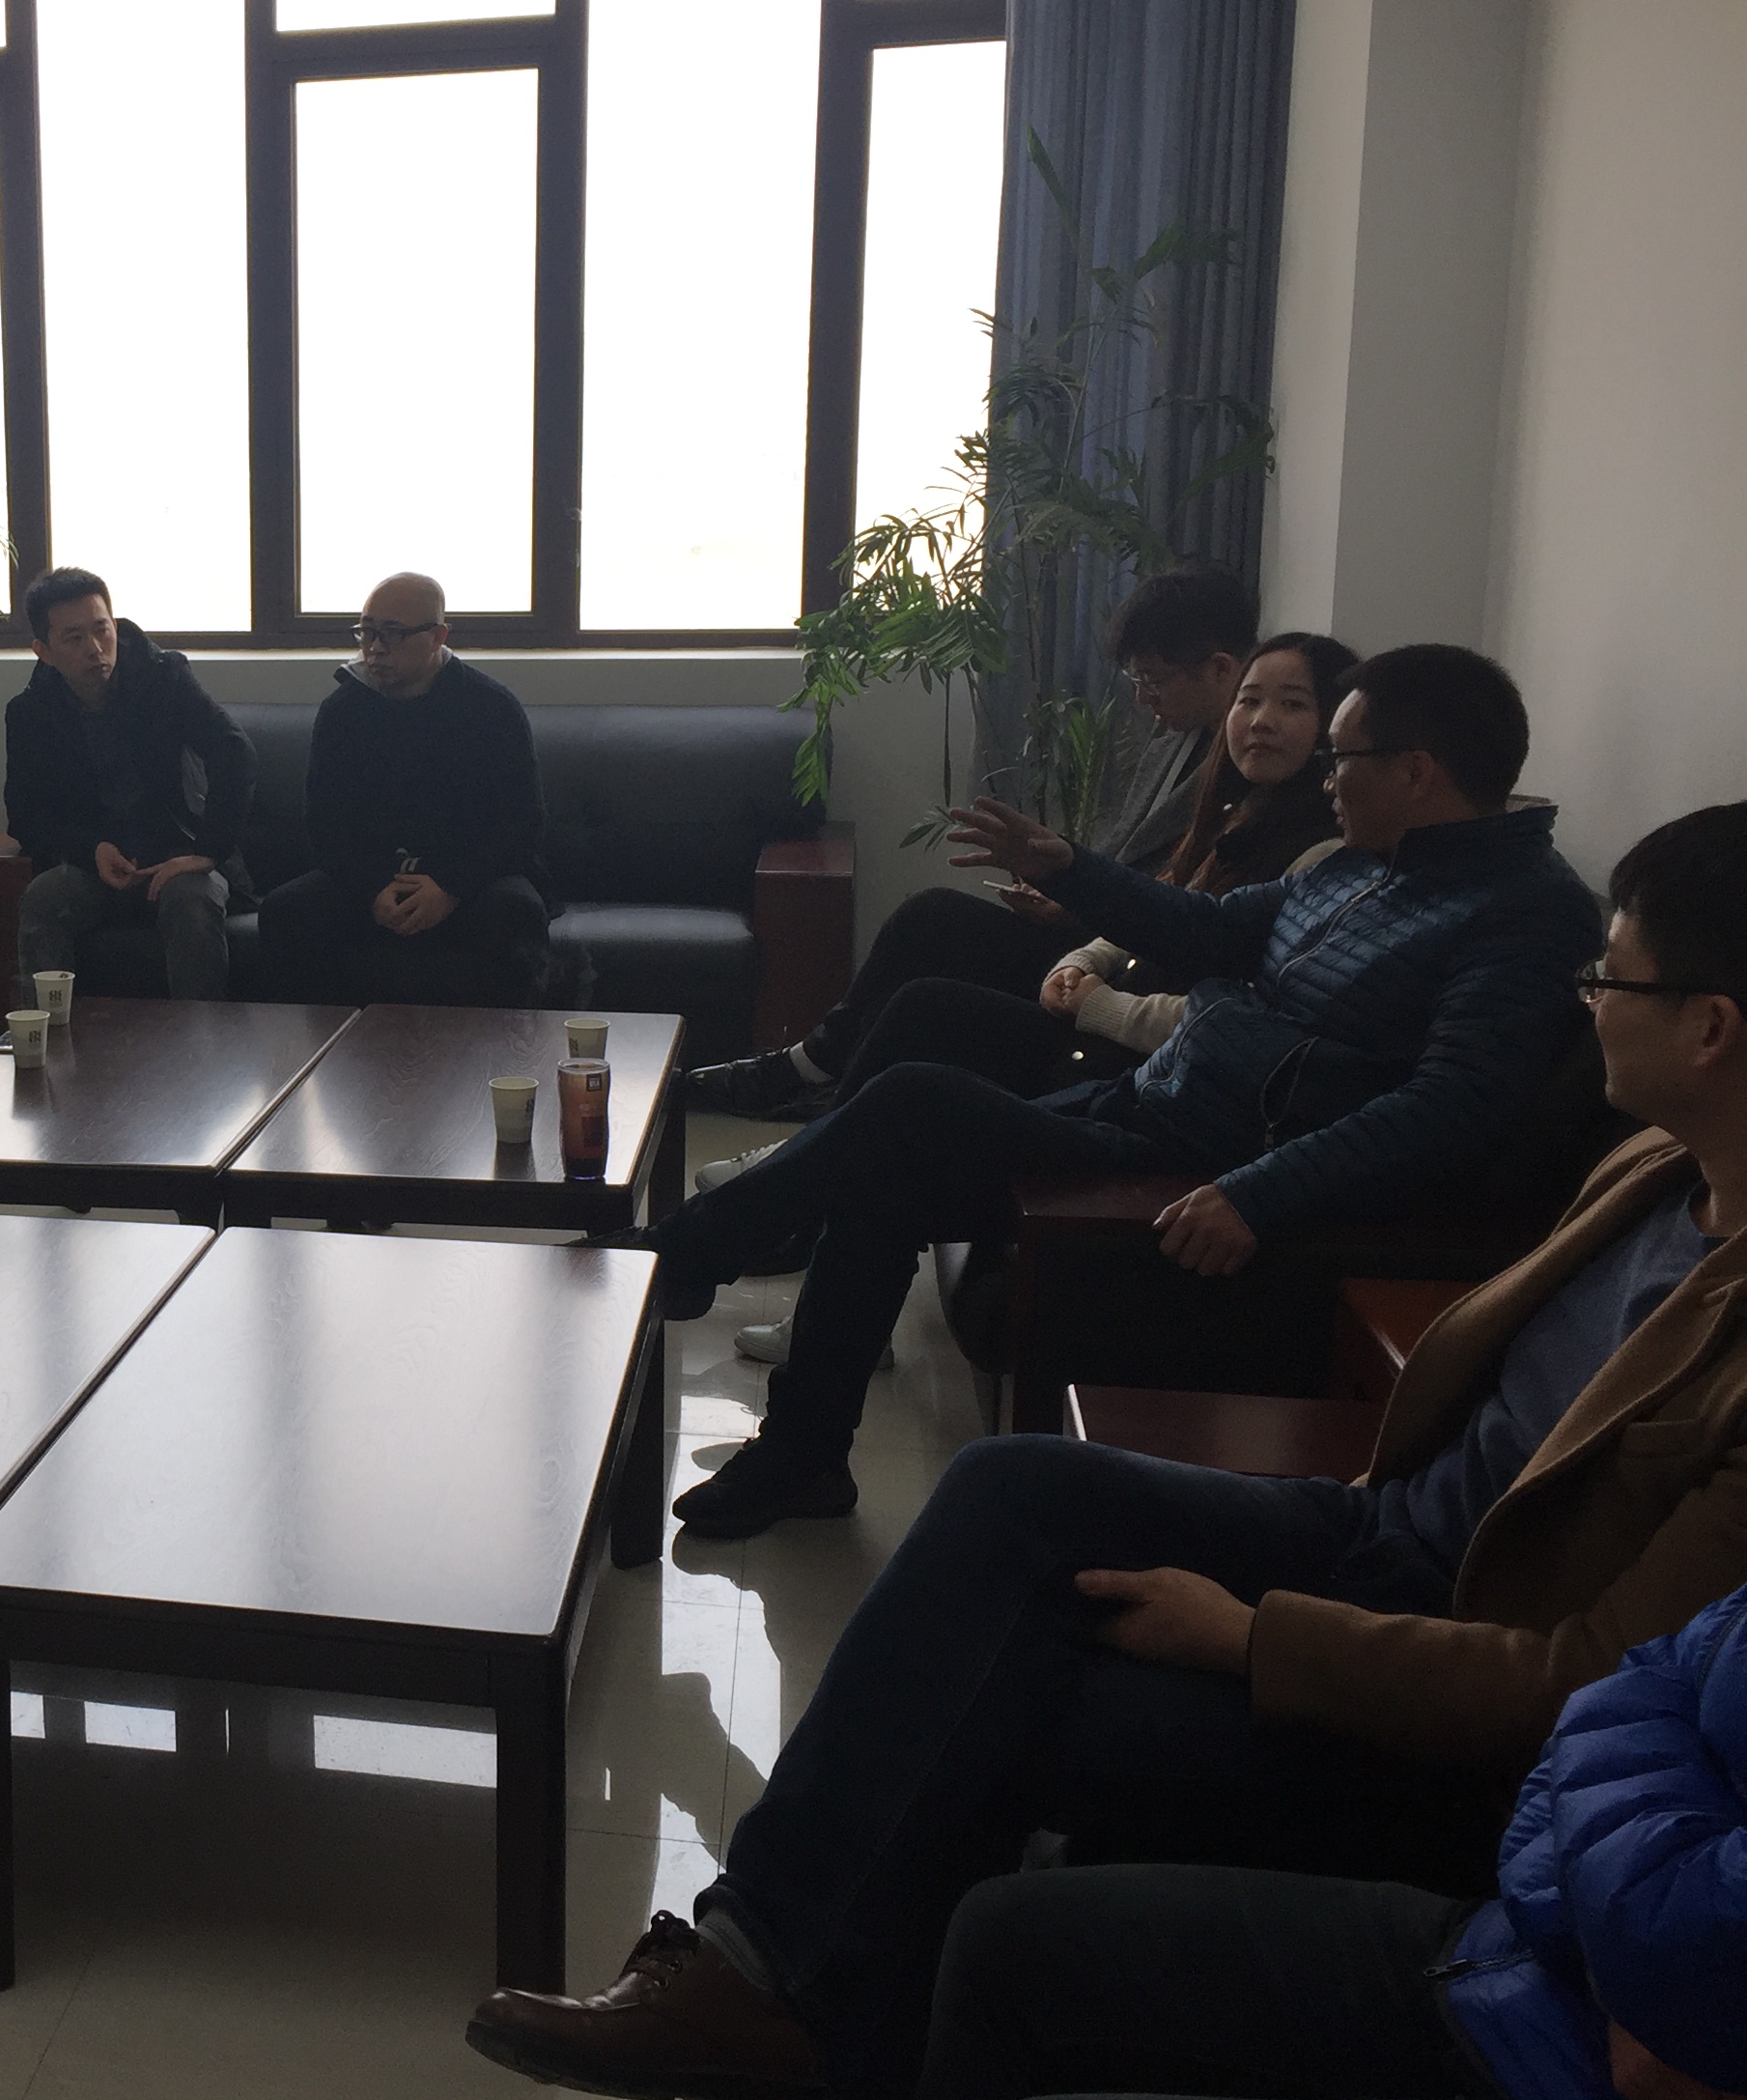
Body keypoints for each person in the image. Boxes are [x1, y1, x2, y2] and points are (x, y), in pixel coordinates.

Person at [465, 798, 1747, 2100]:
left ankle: (800, 2027)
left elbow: (1579, 1680)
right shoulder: (1660, 1171)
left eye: (1612, 979)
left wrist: (1252, 1635)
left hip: (1436, 1623)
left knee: (999, 1690)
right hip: (1377, 1520)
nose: (1587, 1002)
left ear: (1709, 1028)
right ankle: (761, 1975)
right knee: (1007, 1486)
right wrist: (1075, 875)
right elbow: (1219, 936)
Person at [640, 644, 1600, 1539]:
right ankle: (803, 1453)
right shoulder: (1364, 867)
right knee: (885, 1173)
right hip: (1156, 1105)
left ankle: (682, 1255)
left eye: (1341, 759)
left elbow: (1450, 1109)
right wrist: (1066, 867)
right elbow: (1209, 930)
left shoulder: (1523, 915)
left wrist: (1256, 1195)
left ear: (1416, 771)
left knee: (912, 1100)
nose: (1327, 781)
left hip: (1207, 1170)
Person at [724, 631, 1357, 1372]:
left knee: (930, 1017)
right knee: (932, 944)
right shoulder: (1239, 808)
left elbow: (1236, 1018)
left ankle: (791, 1203)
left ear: (1340, 732)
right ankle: (807, 1181)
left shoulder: (1323, 858)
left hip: (1149, 1070)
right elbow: (1168, 909)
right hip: (1114, 1015)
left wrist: (1098, 1004)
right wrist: (1081, 959)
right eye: (1251, 701)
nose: (1260, 722)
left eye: (1292, 706)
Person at [911, 1574, 1747, 2100]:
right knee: (1001, 1938)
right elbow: (1640, 1676)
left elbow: (1678, 1953)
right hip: (1522, 1958)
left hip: (1585, 2089)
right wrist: (1629, 1939)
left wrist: (1643, 1931)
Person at [690, 564, 1258, 1120]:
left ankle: (821, 1093)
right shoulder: (1177, 739)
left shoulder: (1252, 783)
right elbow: (1127, 863)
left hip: (1117, 974)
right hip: (1092, 939)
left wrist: (1078, 898)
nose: (1142, 698)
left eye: (1152, 680)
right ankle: (814, 1066)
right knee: (929, 917)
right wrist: (1064, 896)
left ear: (1220, 670)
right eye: (1136, 681)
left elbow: (1180, 913)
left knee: (926, 988)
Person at [256, 572, 549, 1008]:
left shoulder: (490, 708)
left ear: (437, 636)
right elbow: (323, 824)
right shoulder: (342, 711)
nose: (375, 648)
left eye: (393, 634)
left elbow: (522, 823)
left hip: (467, 882)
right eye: (367, 632)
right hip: (371, 881)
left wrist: (449, 888)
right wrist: (372, 890)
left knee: (516, 912)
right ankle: (320, 1050)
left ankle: (502, 1051)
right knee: (286, 911)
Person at [0, 567, 255, 1004]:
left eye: (102, 630)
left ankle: (201, 1041)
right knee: (44, 898)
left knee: (192, 900)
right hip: (96, 866)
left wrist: (207, 851)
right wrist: (91, 849)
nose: (95, 648)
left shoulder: (164, 677)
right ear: (43, 651)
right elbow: (25, 815)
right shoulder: (29, 713)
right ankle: (47, 1037)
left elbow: (235, 751)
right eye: (74, 638)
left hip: (176, 856)